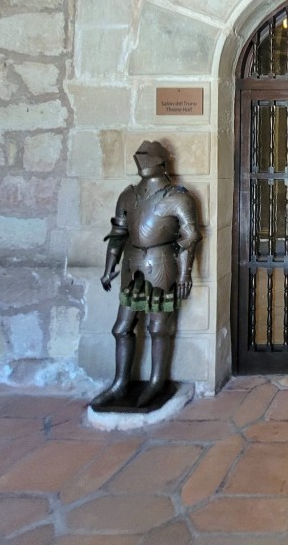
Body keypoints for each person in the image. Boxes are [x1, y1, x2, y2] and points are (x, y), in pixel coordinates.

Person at [90, 141, 201, 410]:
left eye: (148, 156)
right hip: (132, 266)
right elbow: (118, 234)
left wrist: (186, 273)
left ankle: (156, 381)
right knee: (121, 328)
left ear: (162, 161)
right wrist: (109, 268)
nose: (142, 160)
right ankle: (120, 383)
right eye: (140, 155)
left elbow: (189, 237)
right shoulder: (127, 196)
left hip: (162, 264)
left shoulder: (178, 197)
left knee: (158, 328)